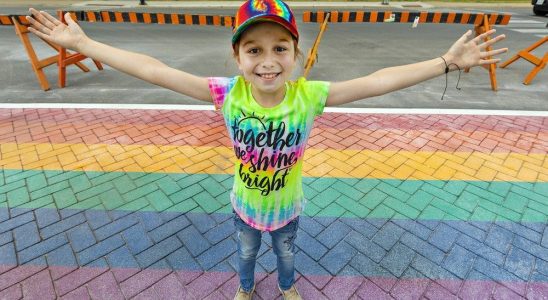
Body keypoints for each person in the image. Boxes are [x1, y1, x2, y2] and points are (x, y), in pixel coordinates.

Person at [26, 1, 507, 299]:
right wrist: (87, 42)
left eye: (280, 47)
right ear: (237, 58)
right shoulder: (226, 94)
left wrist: (445, 61)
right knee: (245, 254)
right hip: (244, 207)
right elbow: (153, 69)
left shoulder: (310, 96)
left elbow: (377, 81)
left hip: (289, 209)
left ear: (296, 56)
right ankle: (243, 288)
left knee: (288, 255)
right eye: (254, 49)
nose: (268, 60)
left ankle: (288, 286)